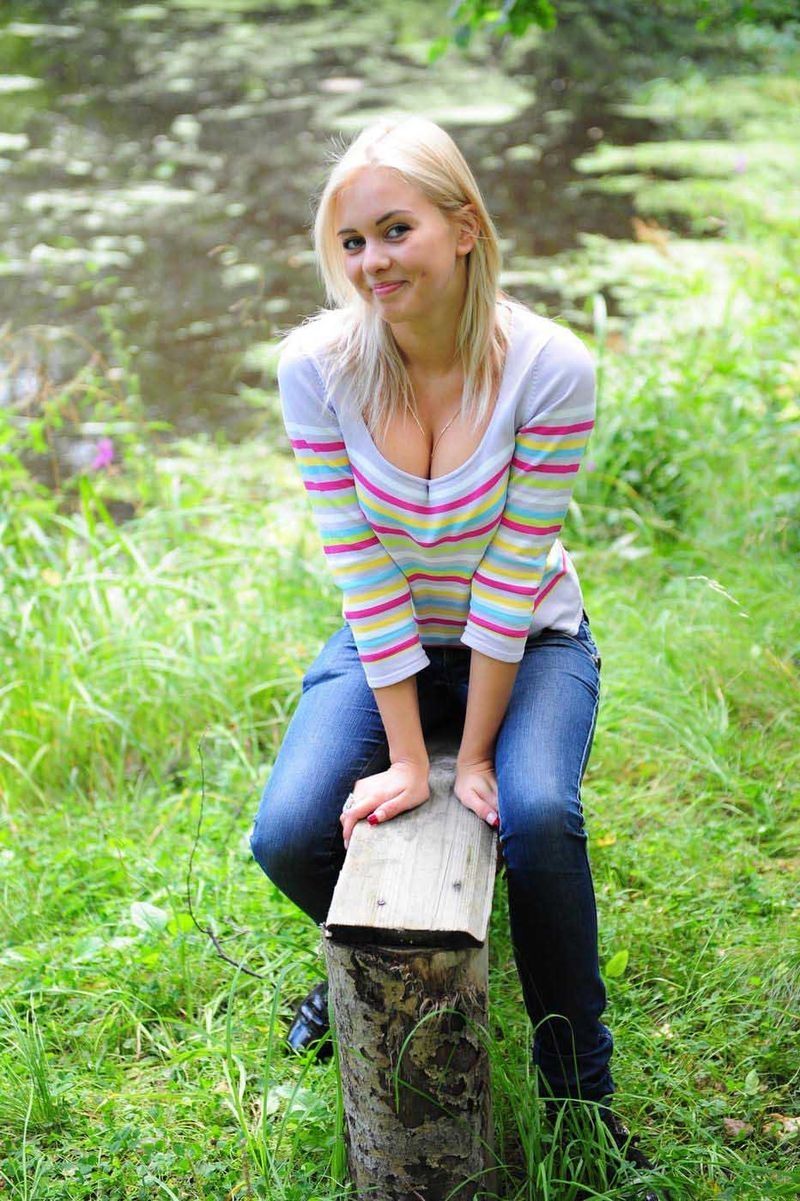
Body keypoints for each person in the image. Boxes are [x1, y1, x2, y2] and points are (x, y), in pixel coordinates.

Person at [249, 115, 660, 1199]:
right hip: (385, 638)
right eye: (350, 242)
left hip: (531, 639)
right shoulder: (316, 368)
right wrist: (411, 762)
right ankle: (352, 978)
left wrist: (470, 755)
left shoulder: (549, 366)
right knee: (287, 830)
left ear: (464, 225)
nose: (373, 262)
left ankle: (582, 1094)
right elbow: (363, 576)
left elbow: (512, 578)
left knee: (533, 814)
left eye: (396, 229)